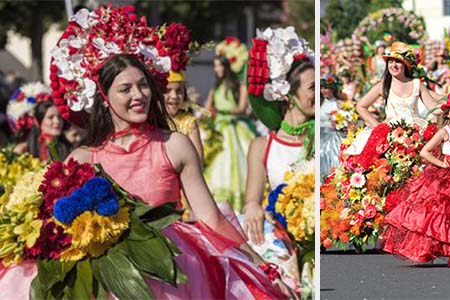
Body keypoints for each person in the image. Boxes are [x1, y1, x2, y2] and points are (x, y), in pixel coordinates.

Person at [0, 9, 291, 297]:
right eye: (125, 89)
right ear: (104, 99)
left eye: (143, 85)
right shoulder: (81, 159)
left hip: (172, 271)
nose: (138, 96)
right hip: (108, 282)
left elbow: (210, 218)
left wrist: (261, 267)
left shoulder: (173, 145)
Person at [242, 27, 316, 293]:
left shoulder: (320, 137)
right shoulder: (262, 146)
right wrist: (252, 207)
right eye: (312, 88)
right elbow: (251, 199)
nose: (318, 94)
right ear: (288, 96)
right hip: (282, 238)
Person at [382, 91, 450, 268]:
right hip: (448, 175)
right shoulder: (445, 131)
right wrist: (442, 164)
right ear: (448, 114)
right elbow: (425, 152)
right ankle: (438, 247)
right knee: (441, 213)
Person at [342, 41, 443, 159]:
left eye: (398, 62)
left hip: (415, 132)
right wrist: (377, 126)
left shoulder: (416, 84)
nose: (394, 65)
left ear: (405, 64)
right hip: (389, 132)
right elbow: (361, 106)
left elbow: (433, 108)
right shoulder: (383, 85)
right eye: (390, 62)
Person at [206, 39, 258, 213]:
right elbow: (207, 107)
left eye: (220, 66)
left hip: (235, 126)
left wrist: (223, 111)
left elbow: (242, 107)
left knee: (238, 159)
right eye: (215, 66)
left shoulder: (238, 85)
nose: (217, 70)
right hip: (218, 126)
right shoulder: (216, 86)